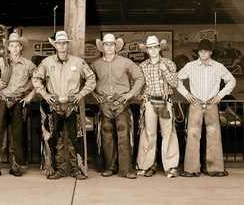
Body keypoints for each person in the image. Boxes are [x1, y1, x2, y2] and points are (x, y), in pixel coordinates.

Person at [32, 31, 96, 180]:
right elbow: (35, 78)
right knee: (57, 139)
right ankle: (60, 169)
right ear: (55, 45)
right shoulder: (47, 62)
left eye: (64, 43)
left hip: (72, 105)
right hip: (55, 105)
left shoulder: (78, 62)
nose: (62, 45)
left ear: (67, 44)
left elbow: (91, 79)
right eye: (59, 43)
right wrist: (46, 95)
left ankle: (76, 169)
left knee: (75, 139)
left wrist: (80, 94)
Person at [177, 39, 236, 177]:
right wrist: (186, 94)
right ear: (198, 52)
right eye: (201, 51)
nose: (203, 53)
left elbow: (232, 81)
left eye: (206, 51)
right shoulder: (190, 66)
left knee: (214, 134)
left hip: (211, 103)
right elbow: (176, 79)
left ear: (210, 52)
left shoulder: (218, 66)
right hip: (196, 102)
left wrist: (220, 95)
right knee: (192, 134)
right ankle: (191, 169)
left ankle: (215, 168)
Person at [0, 32, 36, 178]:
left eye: (17, 45)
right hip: (3, 100)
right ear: (9, 47)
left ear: (21, 47)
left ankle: (16, 166)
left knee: (17, 134)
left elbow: (38, 80)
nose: (14, 48)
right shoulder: (2, 61)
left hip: (18, 100)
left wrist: (29, 95)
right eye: (11, 45)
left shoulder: (28, 64)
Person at [91, 33, 144, 179]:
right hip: (105, 103)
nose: (109, 47)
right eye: (106, 44)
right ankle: (110, 166)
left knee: (123, 132)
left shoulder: (126, 62)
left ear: (116, 46)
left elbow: (139, 77)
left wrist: (130, 94)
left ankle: (126, 169)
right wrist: (95, 95)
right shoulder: (95, 64)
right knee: (106, 133)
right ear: (102, 47)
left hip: (122, 101)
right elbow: (88, 81)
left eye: (111, 44)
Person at [136, 35, 180, 178]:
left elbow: (174, 83)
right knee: (149, 134)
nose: (153, 50)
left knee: (168, 134)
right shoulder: (142, 66)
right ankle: (146, 165)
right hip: (149, 102)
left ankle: (171, 166)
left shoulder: (169, 63)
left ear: (159, 49)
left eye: (155, 47)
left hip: (165, 101)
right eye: (150, 48)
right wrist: (140, 96)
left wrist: (164, 70)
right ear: (147, 50)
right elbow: (138, 84)